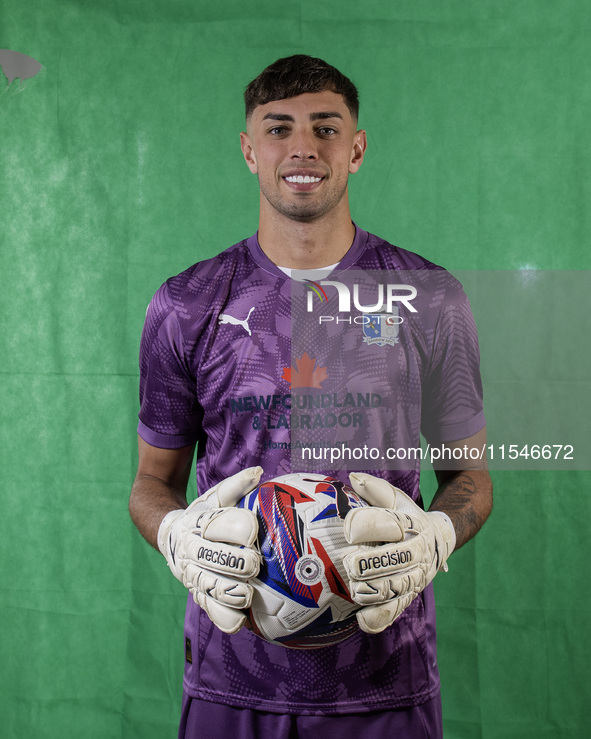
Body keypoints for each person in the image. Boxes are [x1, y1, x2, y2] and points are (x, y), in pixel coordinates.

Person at [129, 55, 493, 739]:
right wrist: (175, 532)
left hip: (387, 674)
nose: (302, 146)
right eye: (278, 128)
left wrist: (437, 533)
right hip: (229, 672)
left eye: (325, 128)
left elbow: (469, 477)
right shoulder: (185, 304)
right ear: (248, 150)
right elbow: (151, 482)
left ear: (355, 149)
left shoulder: (429, 296)